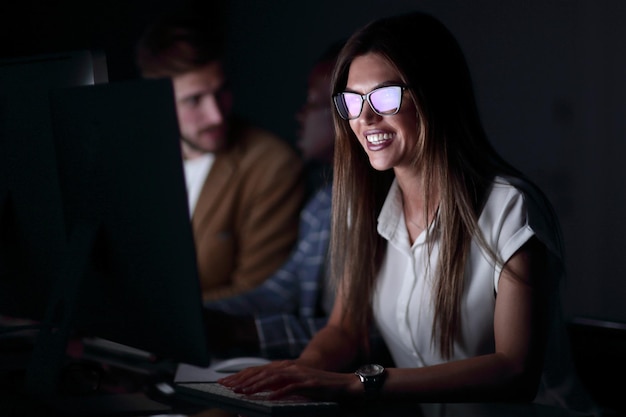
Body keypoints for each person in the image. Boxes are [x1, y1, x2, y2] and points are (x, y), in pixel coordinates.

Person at [218, 11, 597, 414]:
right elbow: (345, 330)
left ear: (434, 95)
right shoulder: (363, 208)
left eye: (385, 96)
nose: (365, 118)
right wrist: (301, 375)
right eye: (352, 100)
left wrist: (354, 385)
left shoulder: (510, 208)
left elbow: (514, 372)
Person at [135, 12, 305, 301]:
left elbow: (256, 295)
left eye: (221, 91)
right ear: (155, 102)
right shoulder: (134, 160)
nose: (216, 115)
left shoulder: (272, 165)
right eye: (194, 100)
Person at [202, 41, 344, 360]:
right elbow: (279, 292)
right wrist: (196, 316)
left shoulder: (385, 210)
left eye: (311, 102)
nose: (300, 114)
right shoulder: (324, 203)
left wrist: (239, 330)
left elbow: (361, 335)